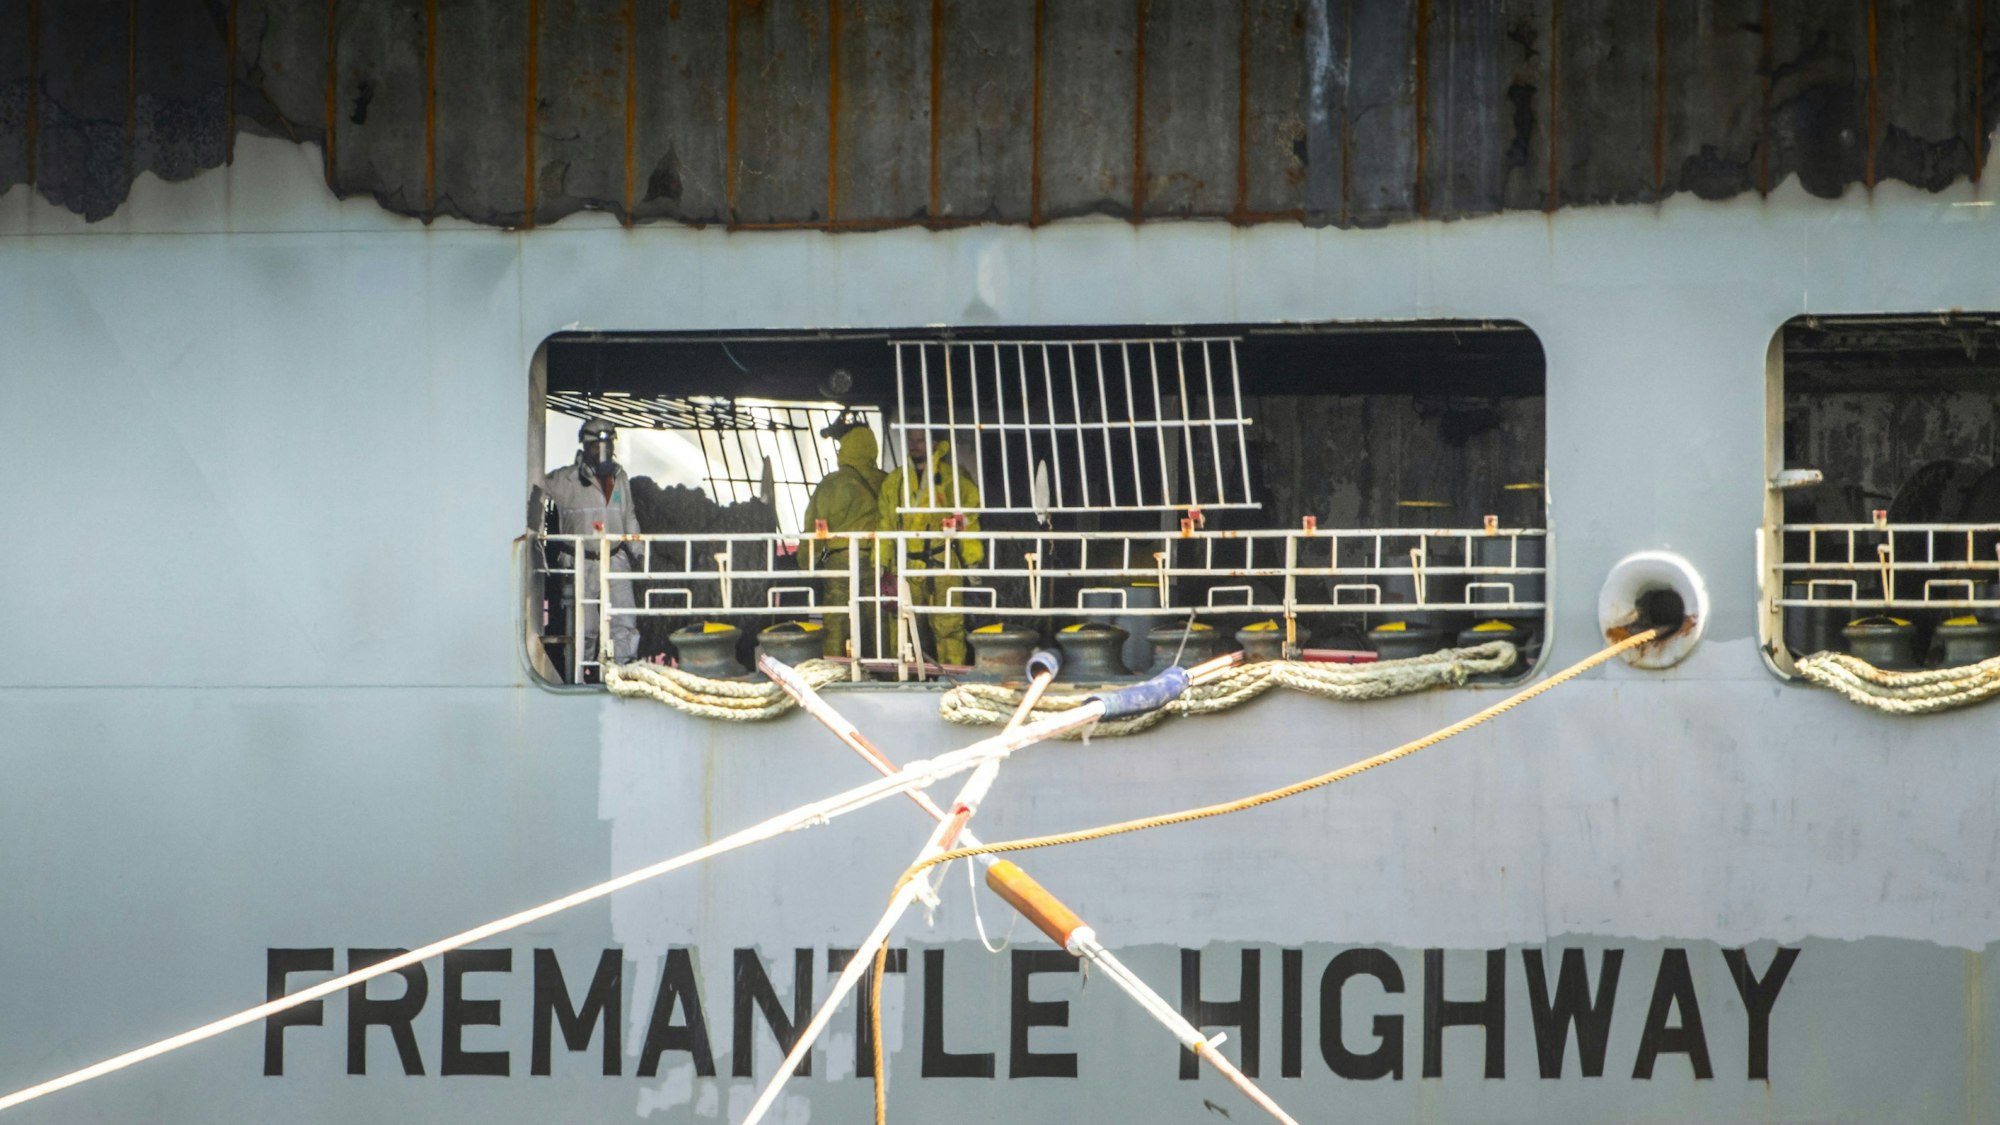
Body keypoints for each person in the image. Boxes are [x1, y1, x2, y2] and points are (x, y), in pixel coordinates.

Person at [543, 416, 641, 676]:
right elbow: (531, 491)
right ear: (585, 446)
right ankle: (580, 675)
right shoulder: (564, 481)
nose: (604, 450)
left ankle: (622, 674)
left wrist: (640, 552)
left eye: (608, 443)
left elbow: (628, 515)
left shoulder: (620, 478)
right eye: (598, 444)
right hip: (581, 560)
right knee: (585, 627)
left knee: (624, 620)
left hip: (616, 556)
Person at [877, 429, 982, 666]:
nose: (913, 445)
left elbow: (969, 520)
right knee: (901, 628)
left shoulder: (953, 480)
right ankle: (903, 679)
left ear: (936, 443)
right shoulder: (895, 482)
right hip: (904, 565)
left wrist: (972, 560)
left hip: (942, 564)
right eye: (911, 440)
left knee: (949, 628)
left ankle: (952, 675)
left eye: (920, 440)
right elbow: (885, 525)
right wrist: (882, 567)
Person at [801, 420, 888, 658]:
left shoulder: (832, 484)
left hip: (839, 562)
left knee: (836, 617)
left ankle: (834, 664)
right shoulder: (887, 482)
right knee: (877, 618)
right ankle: (883, 668)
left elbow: (814, 527)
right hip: (876, 560)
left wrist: (806, 562)